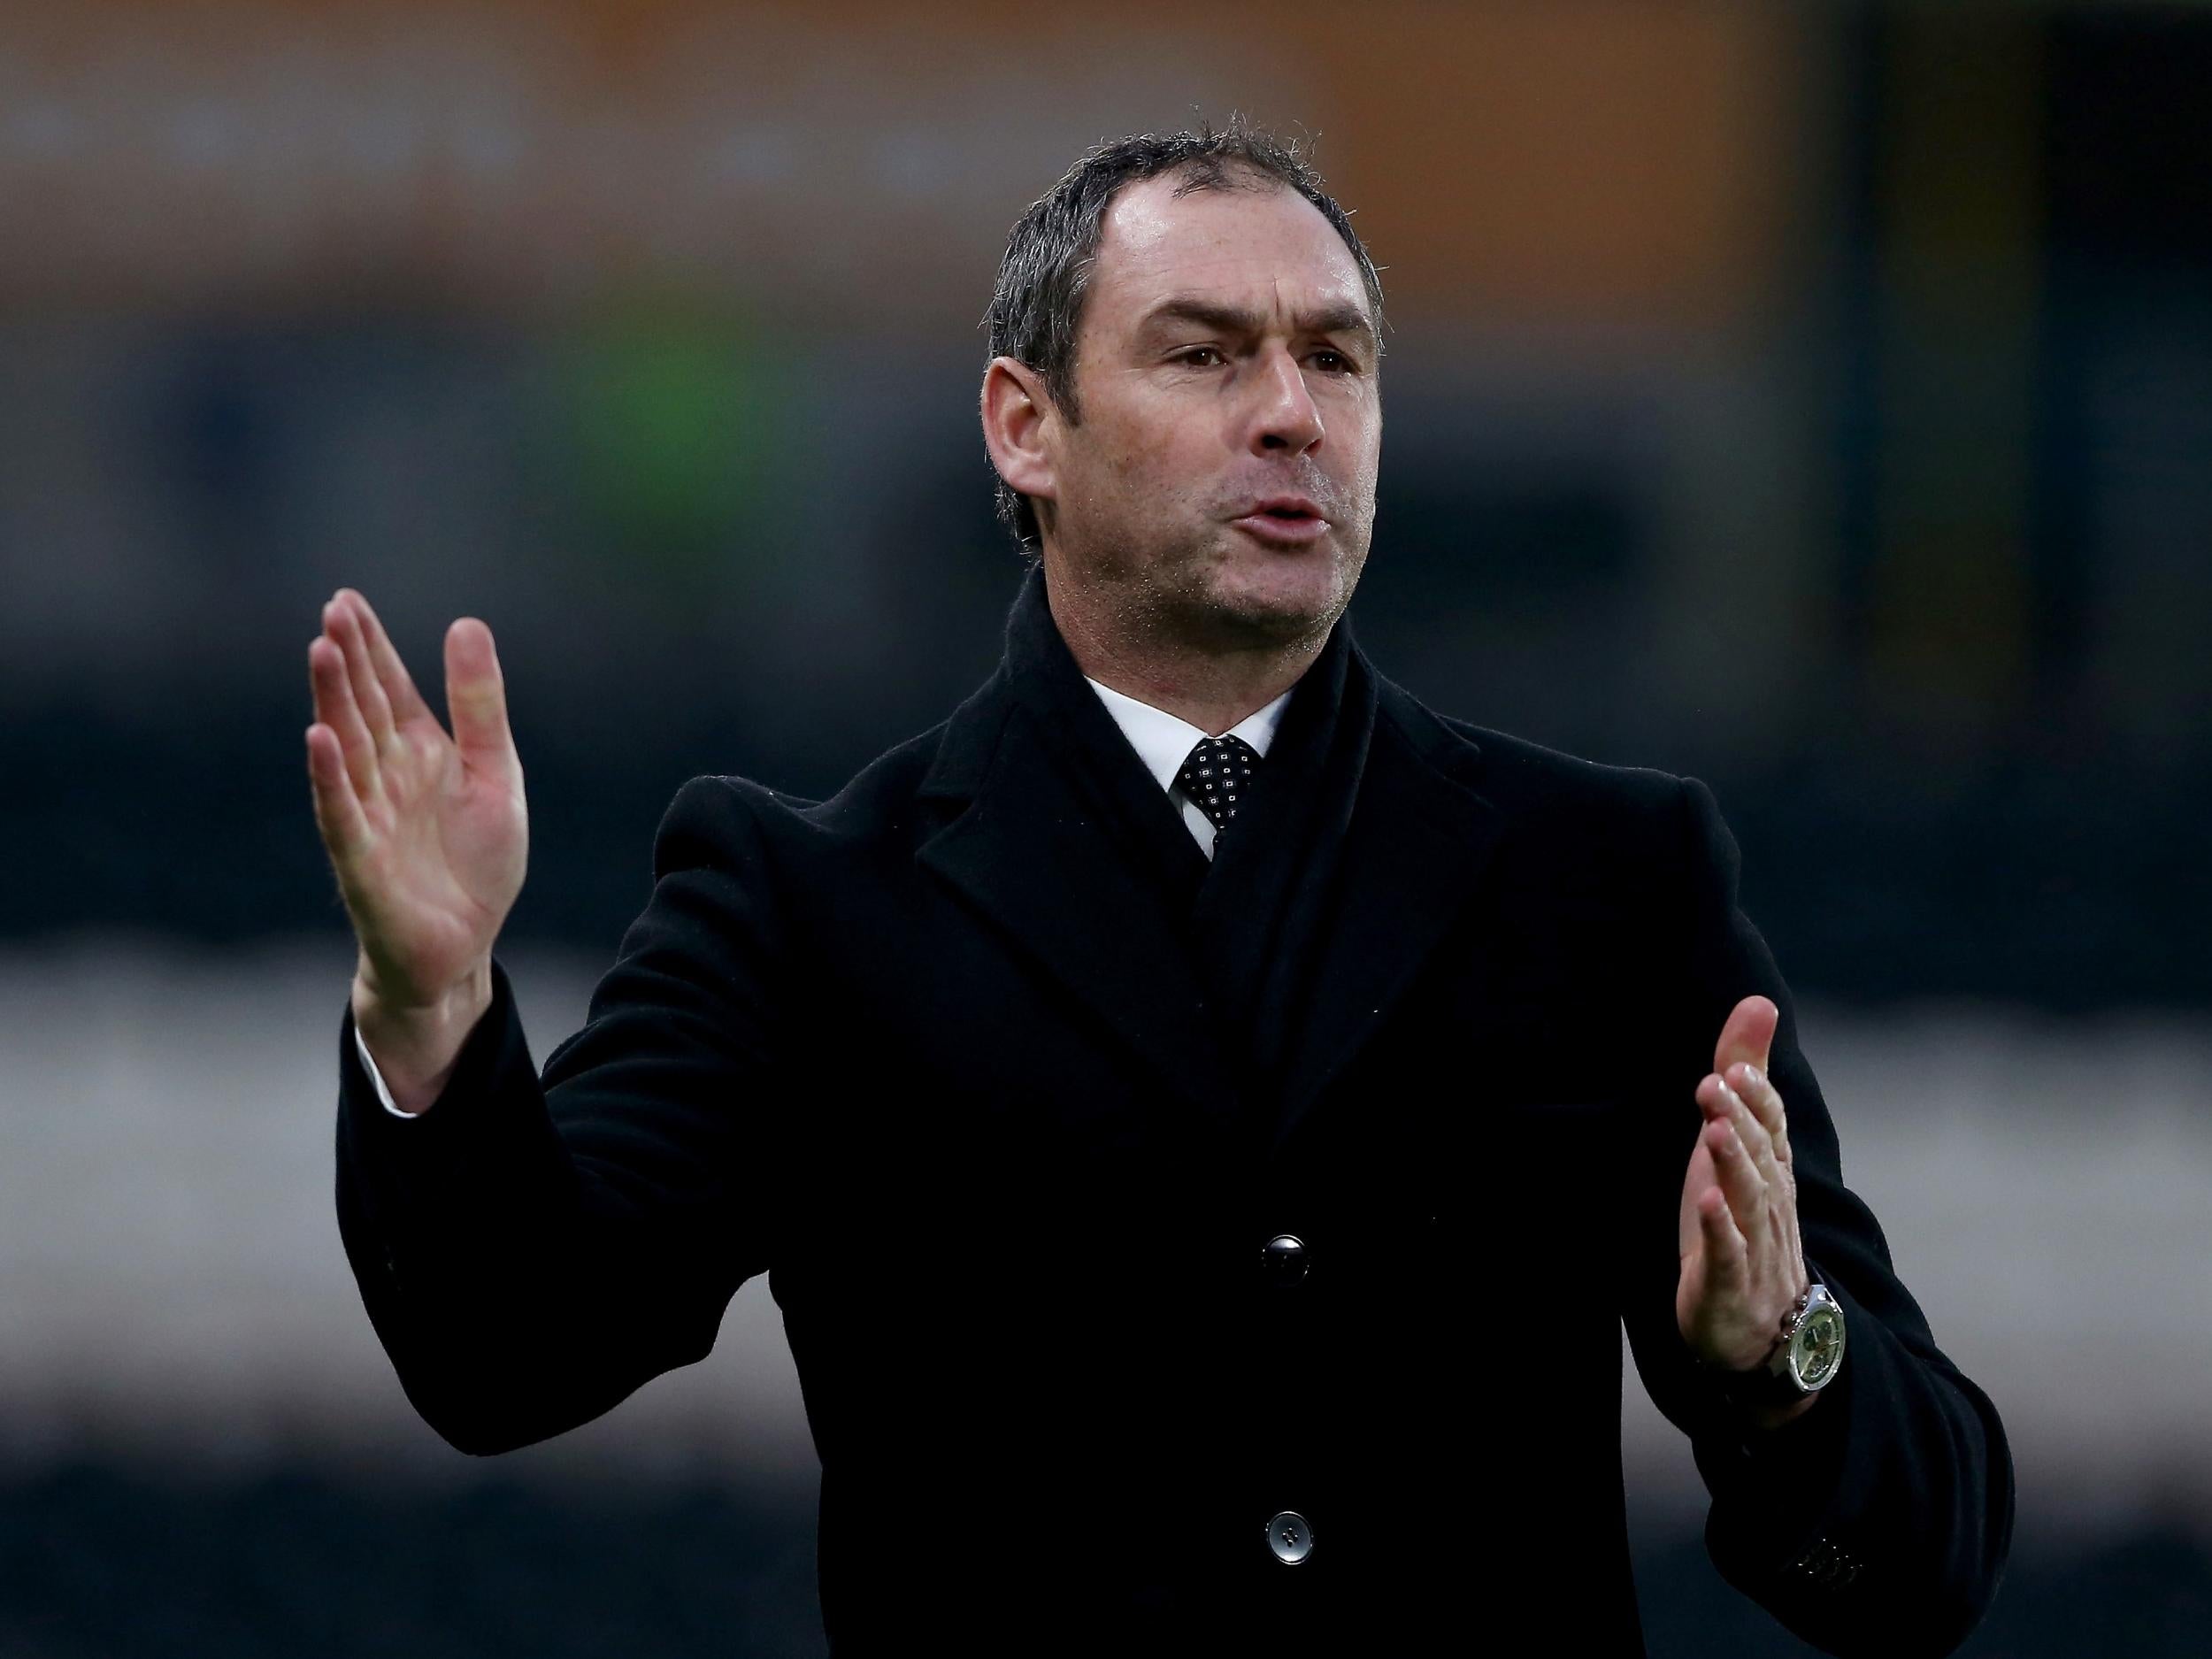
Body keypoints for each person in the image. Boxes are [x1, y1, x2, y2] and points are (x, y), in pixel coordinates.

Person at [306, 124, 2012, 1656]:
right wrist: (432, 1007)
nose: (1290, 410)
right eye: (1204, 354)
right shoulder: (806, 900)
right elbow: (507, 1351)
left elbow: (1924, 1565)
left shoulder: (1609, 884)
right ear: (1024, 427)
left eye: (1334, 360)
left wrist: (1781, 1363)